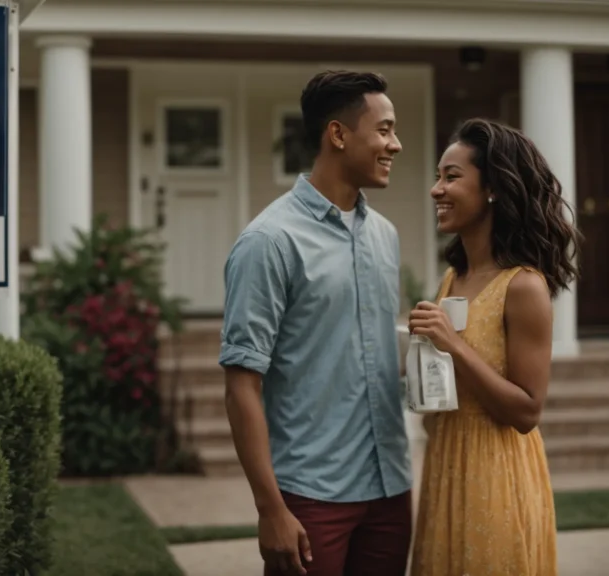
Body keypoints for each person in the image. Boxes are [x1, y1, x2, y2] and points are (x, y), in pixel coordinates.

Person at [219, 70, 413, 576]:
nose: (397, 143)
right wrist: (270, 509)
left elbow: (362, 347)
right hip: (311, 496)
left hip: (390, 488)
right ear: (338, 134)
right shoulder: (269, 241)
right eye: (386, 129)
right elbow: (242, 385)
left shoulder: (385, 236)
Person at [408, 118, 583, 575]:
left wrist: (452, 344)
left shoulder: (523, 286)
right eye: (437, 176)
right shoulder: (454, 278)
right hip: (447, 463)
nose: (436, 190)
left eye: (451, 176)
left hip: (496, 475)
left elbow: (527, 412)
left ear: (493, 189)